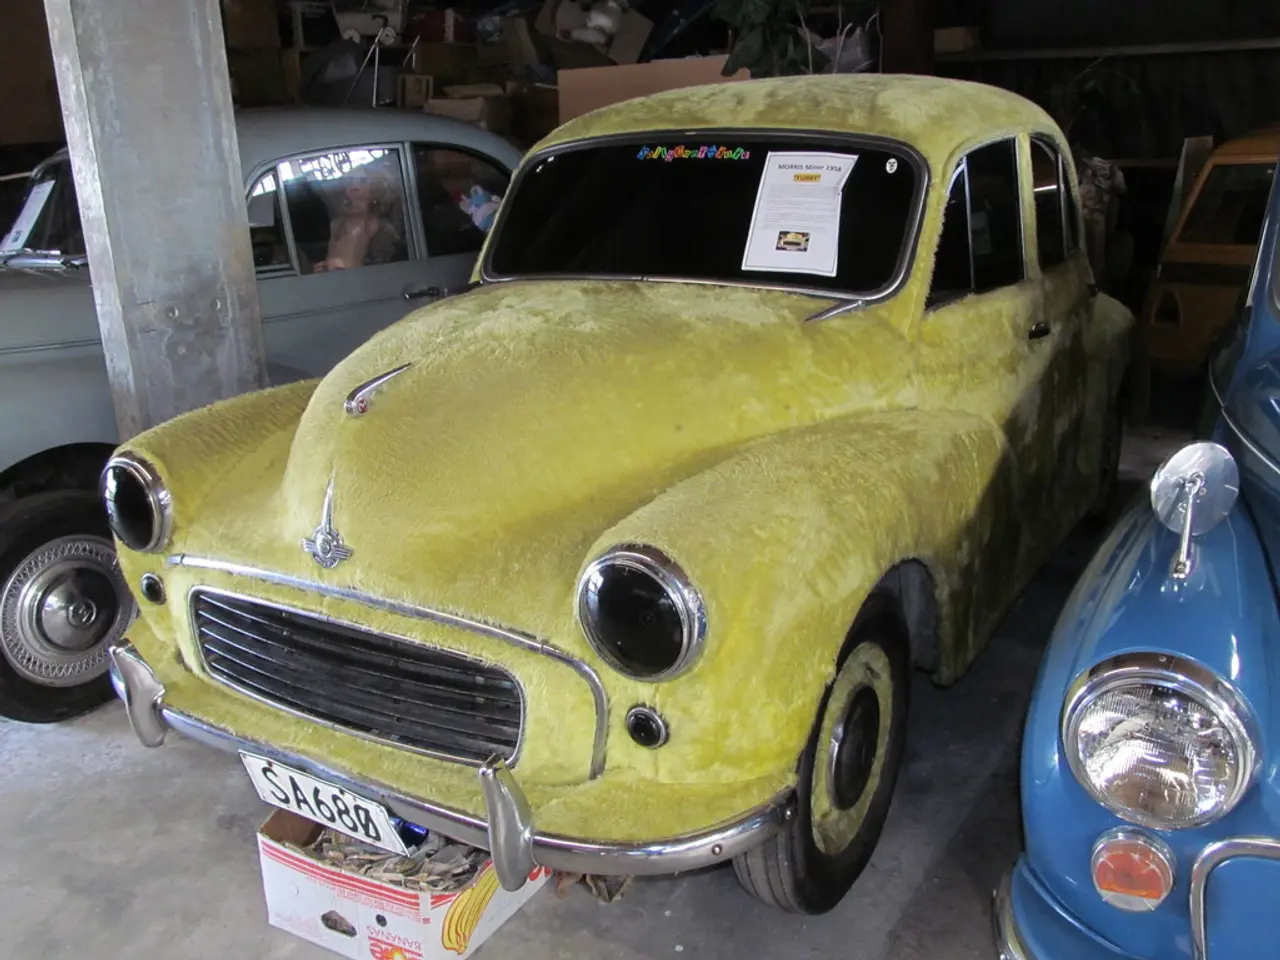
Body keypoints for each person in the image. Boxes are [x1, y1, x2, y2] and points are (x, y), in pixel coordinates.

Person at [313, 164, 403, 272]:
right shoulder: (337, 225)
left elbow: (382, 271)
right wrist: (324, 267)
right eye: (350, 181)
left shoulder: (382, 230)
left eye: (363, 181)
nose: (354, 187)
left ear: (376, 193)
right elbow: (332, 259)